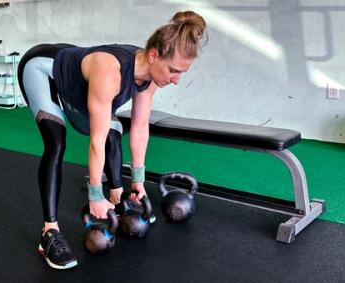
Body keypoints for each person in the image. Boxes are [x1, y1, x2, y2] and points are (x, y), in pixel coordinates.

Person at [16, 10, 207, 269]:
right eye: (174, 71)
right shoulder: (109, 73)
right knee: (56, 141)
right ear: (154, 55)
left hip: (76, 75)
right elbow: (96, 139)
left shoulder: (150, 76)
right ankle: (49, 232)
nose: (176, 80)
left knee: (115, 130)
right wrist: (95, 193)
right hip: (41, 68)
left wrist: (138, 182)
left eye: (181, 73)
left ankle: (117, 199)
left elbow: (139, 128)